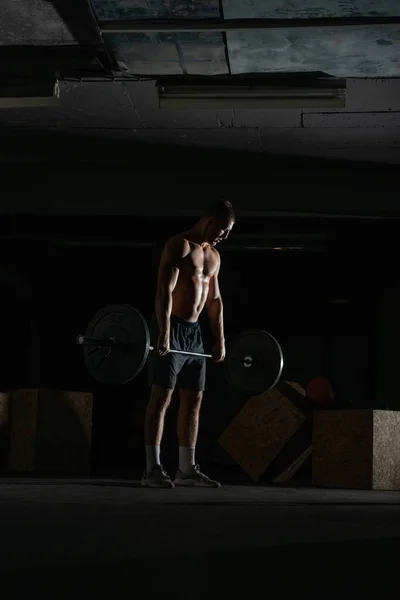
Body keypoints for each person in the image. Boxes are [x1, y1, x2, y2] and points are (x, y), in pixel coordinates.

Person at [142, 200, 235, 488]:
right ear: (208, 221)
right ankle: (152, 469)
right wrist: (164, 330)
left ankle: (186, 470)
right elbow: (163, 291)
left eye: (229, 231)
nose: (225, 236)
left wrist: (219, 340)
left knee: (194, 399)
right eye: (223, 229)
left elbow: (215, 301)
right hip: (171, 326)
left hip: (195, 334)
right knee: (162, 397)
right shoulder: (179, 245)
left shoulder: (215, 257)